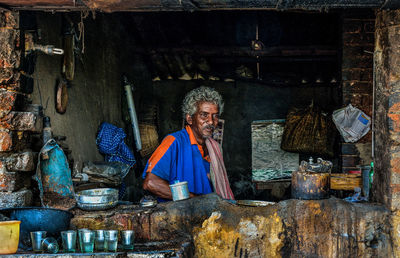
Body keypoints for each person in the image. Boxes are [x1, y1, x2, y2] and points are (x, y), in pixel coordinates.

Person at [142, 86, 234, 201]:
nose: (211, 121)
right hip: (177, 216)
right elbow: (151, 183)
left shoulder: (213, 148)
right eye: (204, 115)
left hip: (209, 216)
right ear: (190, 119)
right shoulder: (174, 142)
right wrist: (194, 200)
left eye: (215, 116)